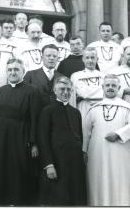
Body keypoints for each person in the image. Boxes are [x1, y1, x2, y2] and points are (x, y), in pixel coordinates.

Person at [0, 58, 41, 206]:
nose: (13, 72)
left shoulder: (32, 91)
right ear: (6, 72)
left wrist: (34, 143)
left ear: (23, 72)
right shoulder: (1, 90)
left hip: (19, 138)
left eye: (16, 69)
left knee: (16, 171)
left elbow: (35, 119)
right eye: (10, 70)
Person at [83, 74, 130, 206]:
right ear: (102, 87)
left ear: (119, 88)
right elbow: (86, 132)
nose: (110, 88)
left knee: (120, 182)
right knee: (98, 182)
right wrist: (84, 151)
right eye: (107, 85)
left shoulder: (126, 107)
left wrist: (118, 134)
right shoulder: (94, 108)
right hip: (97, 156)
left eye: (113, 85)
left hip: (121, 155)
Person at [38, 76, 87, 205]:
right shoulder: (47, 111)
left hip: (75, 163)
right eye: (62, 89)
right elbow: (43, 140)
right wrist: (49, 165)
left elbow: (80, 138)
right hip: (57, 163)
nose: (65, 92)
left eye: (68, 89)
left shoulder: (76, 113)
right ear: (54, 90)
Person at [70, 47, 104, 129]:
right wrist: (99, 90)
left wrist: (88, 92)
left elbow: (106, 93)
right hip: (84, 107)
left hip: (101, 107)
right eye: (87, 58)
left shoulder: (104, 76)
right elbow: (83, 93)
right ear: (83, 59)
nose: (90, 60)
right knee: (84, 133)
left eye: (92, 58)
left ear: (97, 59)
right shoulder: (76, 76)